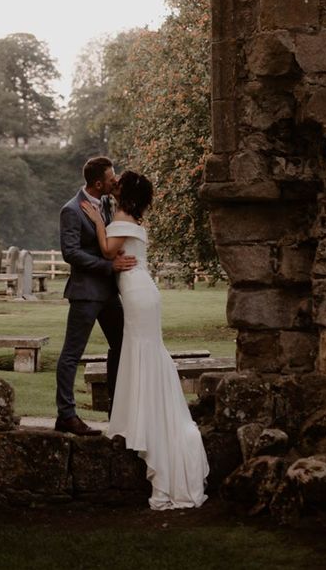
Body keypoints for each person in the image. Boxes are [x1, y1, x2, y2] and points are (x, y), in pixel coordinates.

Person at [82, 170, 209, 510]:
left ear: (127, 192)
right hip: (142, 291)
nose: (116, 184)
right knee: (143, 351)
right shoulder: (132, 216)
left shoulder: (121, 217)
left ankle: (148, 422)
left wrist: (96, 221)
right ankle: (145, 414)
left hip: (137, 293)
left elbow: (108, 250)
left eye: (120, 182)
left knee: (141, 349)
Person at [55, 156, 137, 436]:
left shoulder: (107, 203)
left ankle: (117, 410)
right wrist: (108, 265)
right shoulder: (71, 210)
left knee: (122, 346)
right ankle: (66, 415)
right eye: (111, 178)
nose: (115, 181)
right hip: (86, 293)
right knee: (71, 354)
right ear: (98, 182)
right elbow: (71, 253)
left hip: (109, 293)